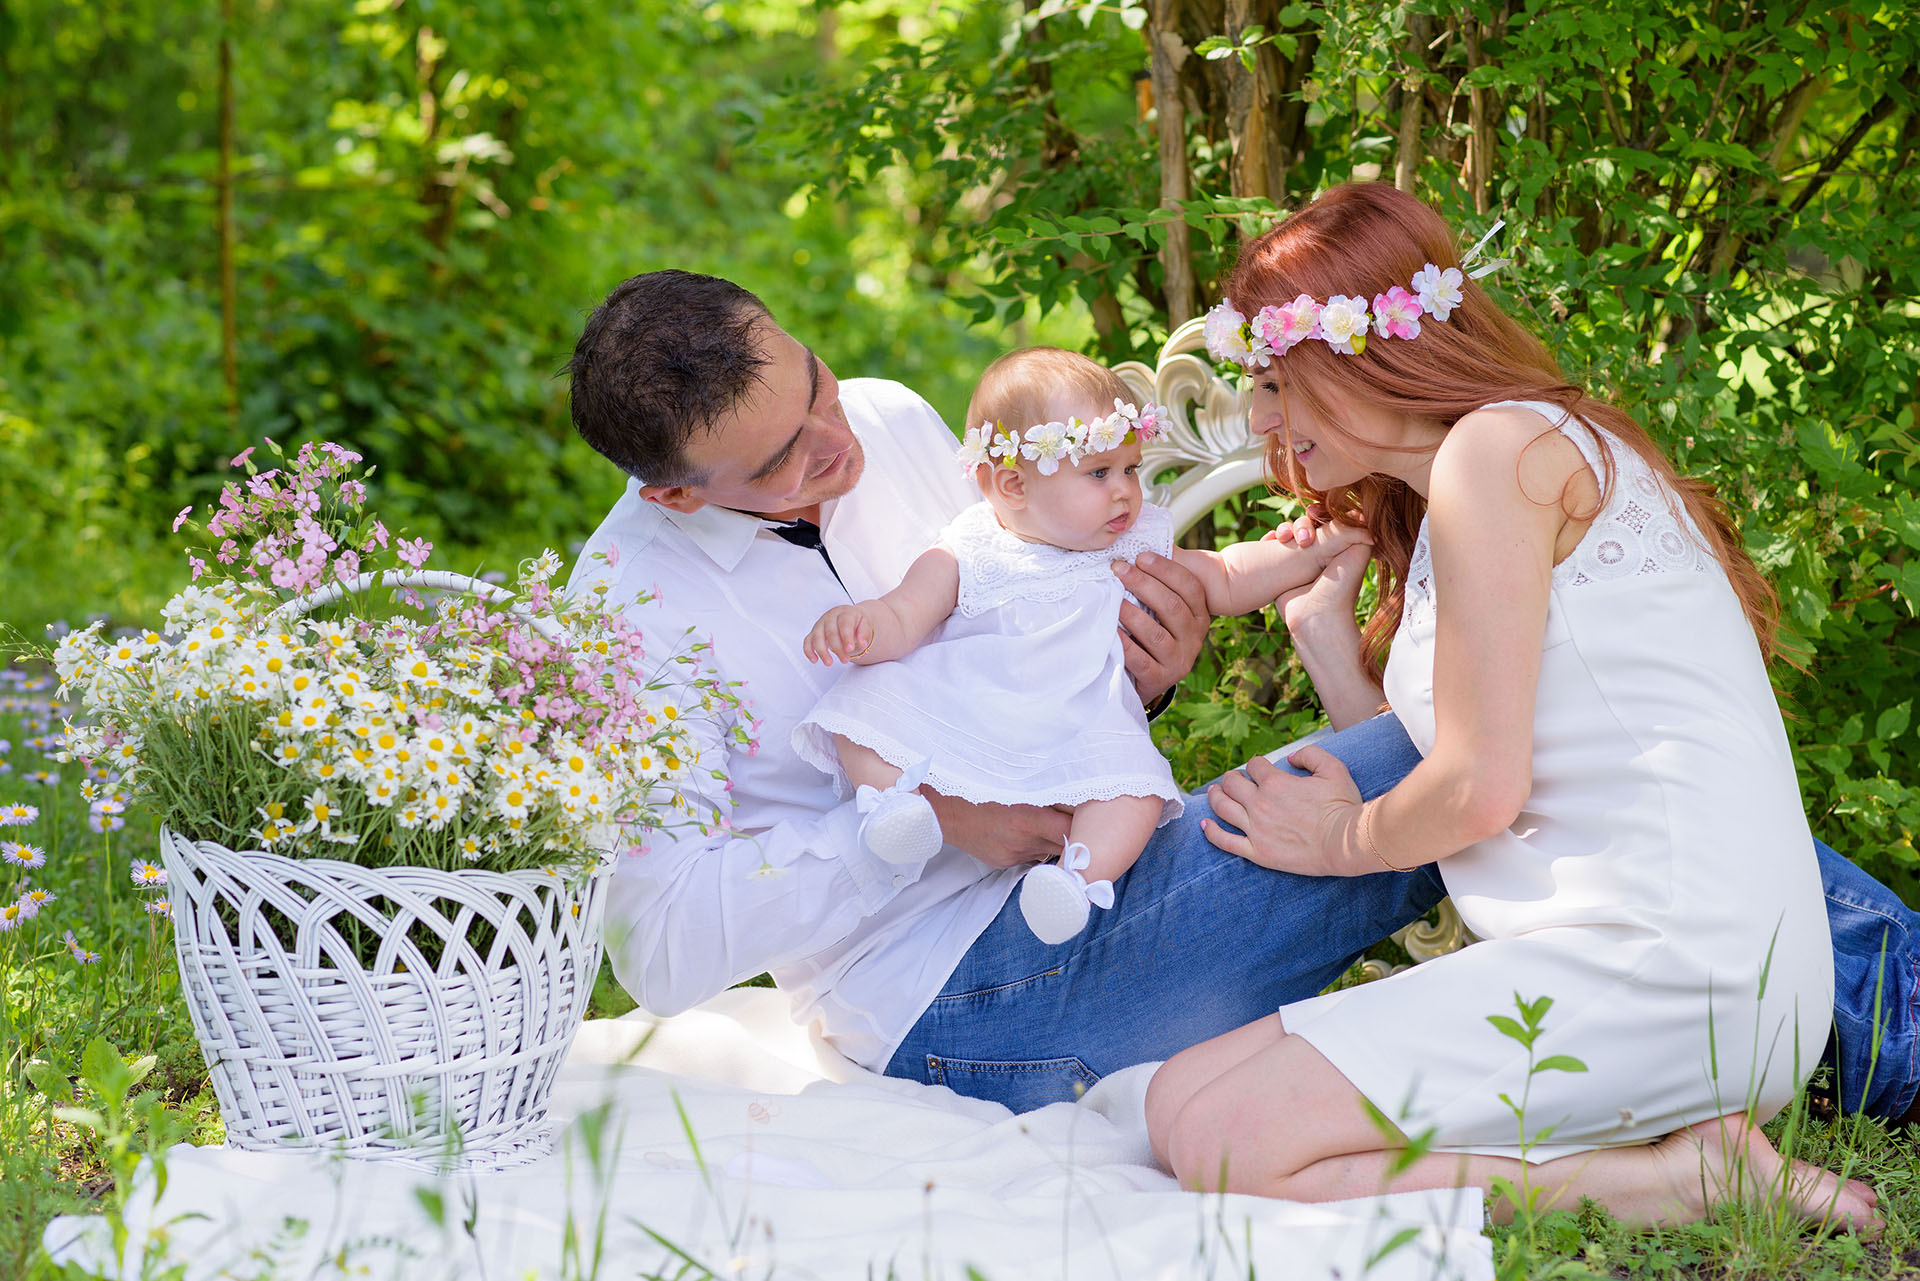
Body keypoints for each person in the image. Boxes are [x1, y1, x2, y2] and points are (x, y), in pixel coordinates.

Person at [561, 267, 1920, 1143]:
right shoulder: (623, 613)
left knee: (1481, 743)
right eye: (787, 459)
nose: (836, 445)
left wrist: (1141, 677)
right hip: (953, 1004)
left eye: (811, 385)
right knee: (1449, 750)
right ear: (677, 493)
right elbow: (663, 952)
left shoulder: (901, 421)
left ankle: (1870, 1011)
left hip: (1105, 874)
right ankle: (1894, 1012)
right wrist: (914, 824)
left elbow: (1030, 655)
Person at [1140, 182, 1877, 1229]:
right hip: (1608, 960)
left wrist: (1339, 836)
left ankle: (1676, 1185)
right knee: (1175, 1102)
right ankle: (1662, 1141)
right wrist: (1321, 637)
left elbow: (1480, 791)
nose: (1260, 418)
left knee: (1226, 1142)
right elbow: (1466, 759)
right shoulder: (1468, 478)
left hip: (1671, 966)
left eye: (1273, 378)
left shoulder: (1501, 453)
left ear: (1359, 352)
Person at [794, 347, 1367, 944]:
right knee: (862, 711)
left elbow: (1225, 574)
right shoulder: (968, 547)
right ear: (1013, 484)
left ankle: (1074, 881)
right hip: (974, 707)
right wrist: (860, 628)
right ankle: (894, 806)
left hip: (1075, 726)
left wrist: (1311, 549)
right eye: (1099, 473)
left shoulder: (1132, 545)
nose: (1124, 492)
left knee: (1135, 794)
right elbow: (903, 614)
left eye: (1130, 470)